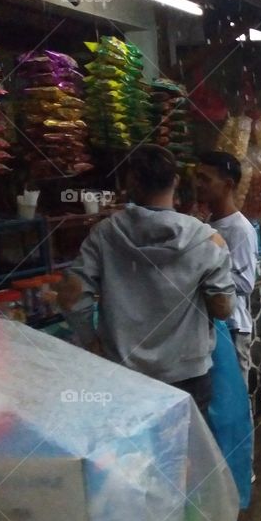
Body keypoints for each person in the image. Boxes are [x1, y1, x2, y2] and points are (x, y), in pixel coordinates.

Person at [57, 144, 234, 415]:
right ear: (175, 181)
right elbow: (222, 308)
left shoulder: (104, 234)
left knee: (132, 452)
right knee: (186, 452)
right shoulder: (207, 239)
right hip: (188, 373)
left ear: (131, 183)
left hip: (125, 375)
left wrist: (92, 342)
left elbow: (71, 296)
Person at [195, 151, 259, 382]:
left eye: (205, 179)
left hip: (232, 327)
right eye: (197, 177)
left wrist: (200, 274)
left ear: (228, 184)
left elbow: (245, 283)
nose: (198, 184)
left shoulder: (239, 229)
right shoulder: (206, 224)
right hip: (212, 327)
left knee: (234, 401)